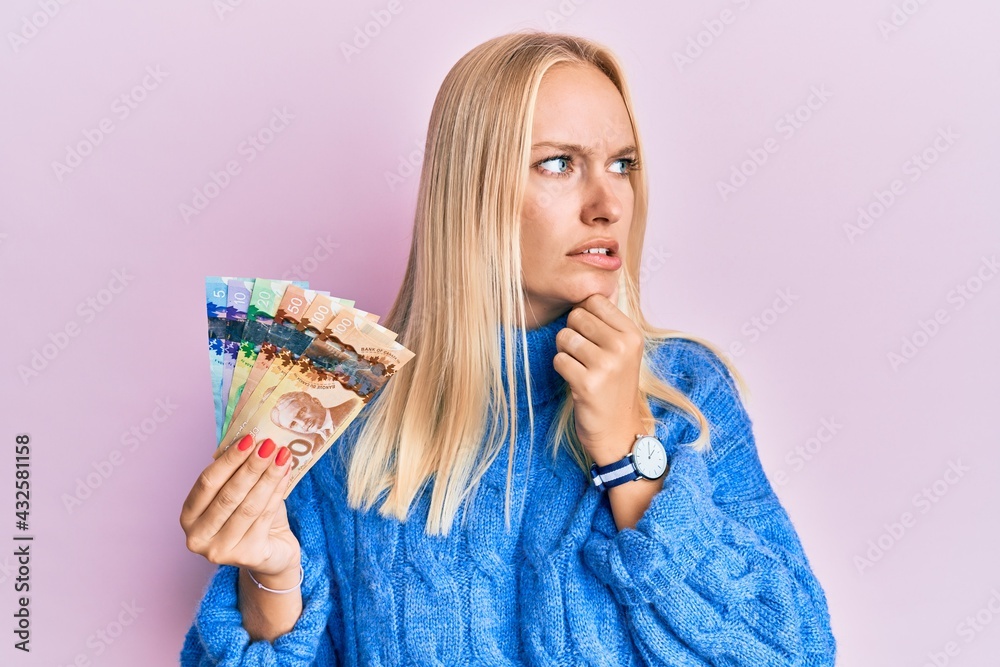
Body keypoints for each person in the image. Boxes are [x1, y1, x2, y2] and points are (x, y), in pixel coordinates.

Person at [178, 30, 837, 665]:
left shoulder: (686, 390)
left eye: (623, 164)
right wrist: (272, 575)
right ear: (471, 191)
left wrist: (630, 457)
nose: (609, 203)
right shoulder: (341, 411)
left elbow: (797, 652)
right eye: (558, 163)